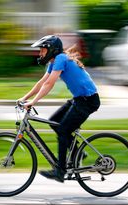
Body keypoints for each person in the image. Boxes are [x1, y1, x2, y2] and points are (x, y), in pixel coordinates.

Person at [18, 35, 100, 183]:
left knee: (63, 130)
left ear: (51, 50)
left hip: (88, 101)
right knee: (54, 121)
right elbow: (41, 82)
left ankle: (60, 171)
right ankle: (78, 154)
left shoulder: (61, 59)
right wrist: (24, 98)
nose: (40, 54)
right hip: (79, 99)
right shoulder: (54, 62)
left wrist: (33, 102)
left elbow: (49, 84)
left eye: (42, 50)